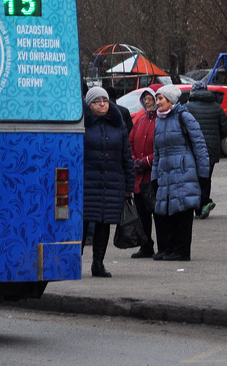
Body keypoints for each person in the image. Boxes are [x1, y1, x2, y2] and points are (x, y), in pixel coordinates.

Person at [150, 84, 210, 261]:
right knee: (166, 211)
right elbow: (157, 151)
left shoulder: (184, 116)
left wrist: (203, 175)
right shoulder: (159, 120)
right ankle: (169, 249)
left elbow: (199, 146)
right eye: (157, 99)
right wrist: (154, 176)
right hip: (165, 173)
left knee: (182, 211)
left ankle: (182, 251)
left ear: (171, 100)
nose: (157, 102)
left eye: (161, 98)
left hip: (184, 171)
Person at [82, 86, 134, 277]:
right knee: (82, 224)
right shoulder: (83, 124)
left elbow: (126, 156)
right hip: (88, 182)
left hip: (111, 183)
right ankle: (73, 263)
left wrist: (129, 185)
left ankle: (98, 264)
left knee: (104, 224)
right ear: (90, 105)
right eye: (97, 101)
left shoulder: (118, 124)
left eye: (105, 100)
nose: (102, 104)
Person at [183, 78, 227, 218]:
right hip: (211, 148)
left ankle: (198, 205)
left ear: (193, 92)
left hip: (192, 149)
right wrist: (217, 138)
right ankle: (203, 204)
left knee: (193, 177)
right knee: (206, 177)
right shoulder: (217, 107)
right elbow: (226, 128)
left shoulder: (187, 107)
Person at [128, 86, 158, 258]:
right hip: (140, 176)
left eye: (150, 99)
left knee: (158, 214)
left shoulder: (160, 121)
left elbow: (162, 149)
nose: (147, 102)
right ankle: (146, 245)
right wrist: (134, 160)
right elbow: (131, 141)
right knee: (142, 215)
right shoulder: (140, 121)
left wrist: (146, 161)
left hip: (154, 175)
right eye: (145, 99)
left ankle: (163, 246)